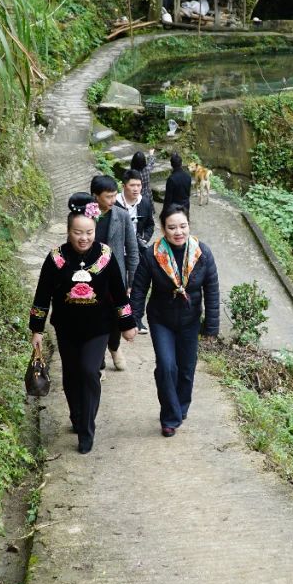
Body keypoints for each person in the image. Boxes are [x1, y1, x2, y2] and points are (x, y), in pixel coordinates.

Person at [30, 193, 137, 454]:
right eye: (78, 232)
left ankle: (87, 430)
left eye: (89, 232)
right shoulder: (55, 259)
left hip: (98, 327)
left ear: (95, 231)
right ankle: (77, 416)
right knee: (71, 376)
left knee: (90, 372)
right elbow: (42, 294)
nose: (84, 238)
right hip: (66, 328)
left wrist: (127, 324)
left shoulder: (105, 256)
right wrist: (37, 329)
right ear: (68, 232)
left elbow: (119, 292)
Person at [131, 204, 219, 437]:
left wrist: (211, 326)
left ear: (189, 226)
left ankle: (181, 406)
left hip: (190, 320)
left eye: (183, 226)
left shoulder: (202, 253)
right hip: (162, 320)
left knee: (187, 369)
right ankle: (169, 417)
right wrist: (133, 320)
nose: (178, 232)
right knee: (167, 366)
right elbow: (139, 288)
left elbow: (212, 290)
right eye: (172, 227)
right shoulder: (152, 254)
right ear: (163, 229)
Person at [91, 175, 140, 371]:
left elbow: (133, 250)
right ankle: (99, 361)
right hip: (90, 277)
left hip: (114, 277)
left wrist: (131, 281)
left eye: (114, 196)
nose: (113, 201)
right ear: (95, 196)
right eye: (108, 197)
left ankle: (114, 347)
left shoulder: (122, 215)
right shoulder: (85, 215)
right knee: (94, 318)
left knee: (114, 316)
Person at [116, 169, 155, 335]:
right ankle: (118, 319)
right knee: (118, 284)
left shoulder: (144, 202)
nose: (136, 188)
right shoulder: (115, 203)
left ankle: (136, 320)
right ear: (124, 185)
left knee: (137, 286)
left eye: (139, 185)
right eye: (132, 185)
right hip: (117, 249)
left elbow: (150, 224)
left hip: (136, 250)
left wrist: (144, 239)